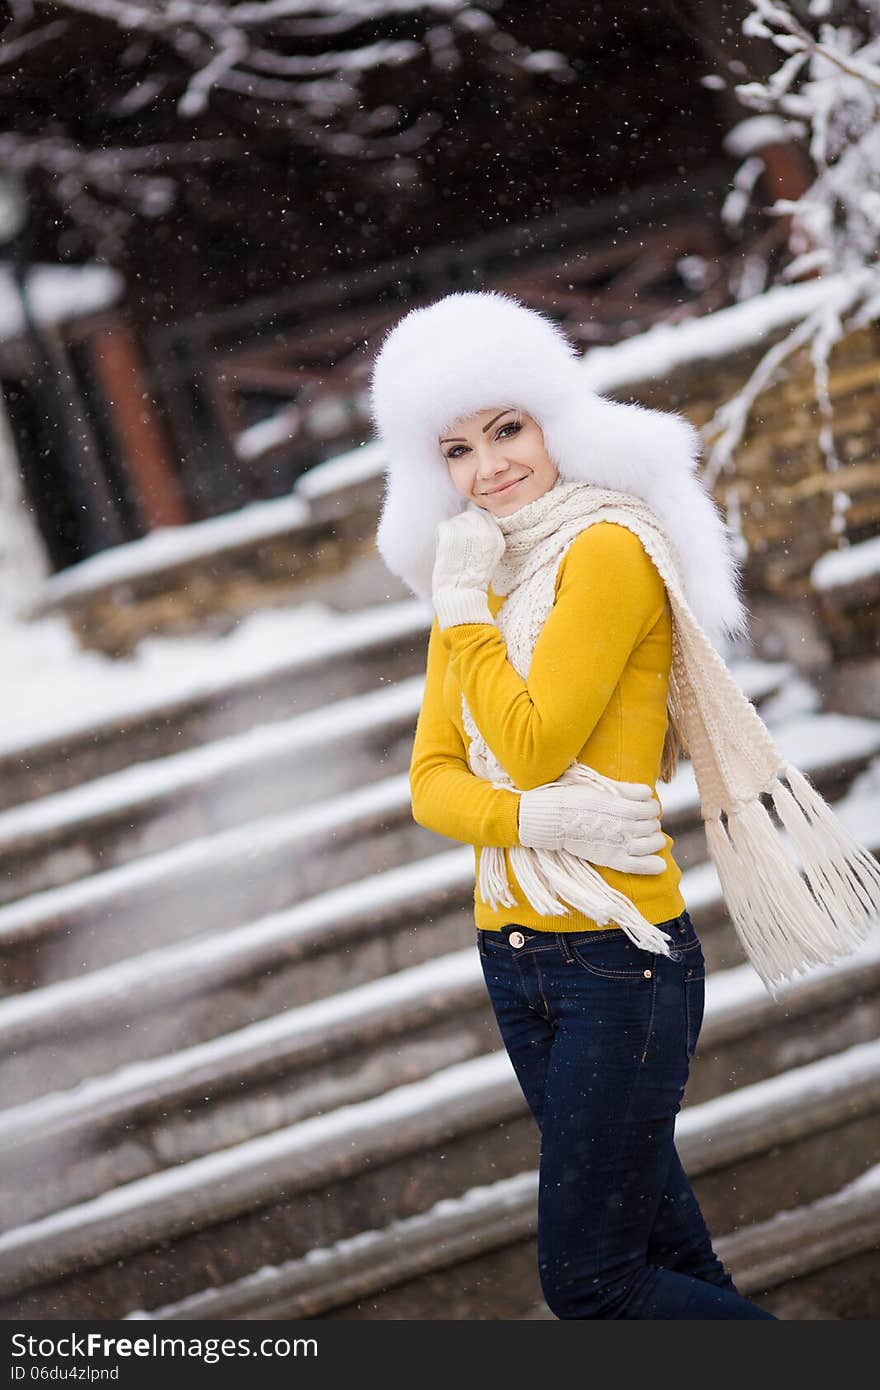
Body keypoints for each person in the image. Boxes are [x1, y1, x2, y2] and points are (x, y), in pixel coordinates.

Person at [368, 291, 880, 1318]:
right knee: (669, 1261)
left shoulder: (603, 550)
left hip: (615, 957)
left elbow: (528, 740)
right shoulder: (474, 569)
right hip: (513, 956)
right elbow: (430, 781)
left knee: (593, 1283)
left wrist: (465, 619)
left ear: (556, 418)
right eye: (457, 450)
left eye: (506, 428)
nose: (490, 466)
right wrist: (532, 818)